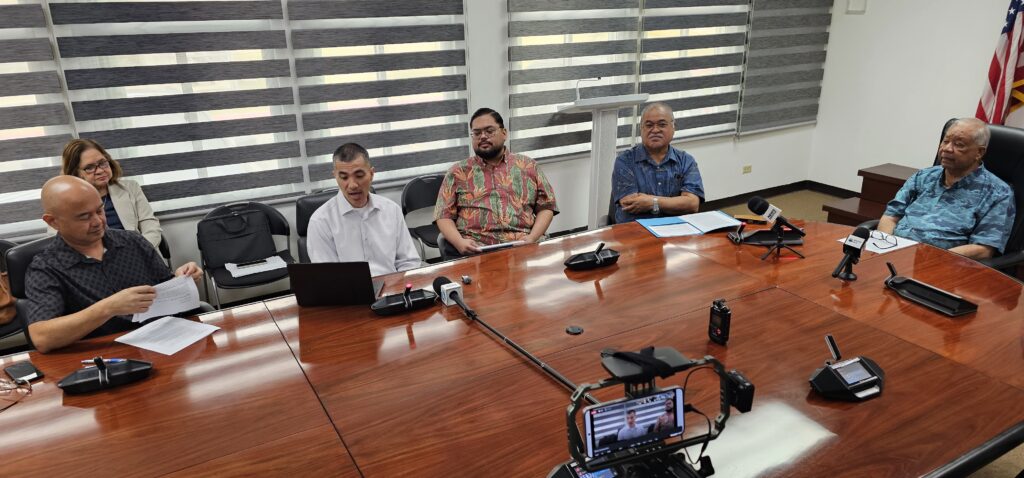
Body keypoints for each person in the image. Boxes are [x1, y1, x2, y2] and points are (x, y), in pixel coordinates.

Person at [25, 176, 203, 353]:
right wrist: (109, 308)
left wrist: (182, 281)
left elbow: (165, 291)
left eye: (99, 210)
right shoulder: (46, 268)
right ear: (53, 222)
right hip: (107, 355)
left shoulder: (133, 241)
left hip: (166, 341)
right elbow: (42, 338)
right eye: (84, 217)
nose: (98, 222)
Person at [878, 118, 1015, 260]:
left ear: (979, 152)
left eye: (959, 145)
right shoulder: (923, 176)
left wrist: (935, 260)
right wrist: (884, 248)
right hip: (895, 255)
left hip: (943, 264)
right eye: (945, 141)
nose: (947, 149)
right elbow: (890, 216)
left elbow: (984, 249)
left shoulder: (998, 193)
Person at [434, 108, 558, 256]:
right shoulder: (457, 172)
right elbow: (443, 216)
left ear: (504, 133)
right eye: (477, 133)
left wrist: (532, 238)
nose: (483, 136)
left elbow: (547, 207)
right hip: (475, 249)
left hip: (523, 246)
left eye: (489, 131)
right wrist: (459, 242)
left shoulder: (528, 166)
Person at [306, 143, 421, 275]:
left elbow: (408, 261)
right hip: (349, 287)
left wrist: (400, 284)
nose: (353, 185)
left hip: (392, 283)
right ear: (335, 176)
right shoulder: (320, 221)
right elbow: (328, 276)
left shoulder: (391, 210)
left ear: (371, 174)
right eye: (344, 177)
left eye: (359, 175)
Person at [60, 138, 162, 250]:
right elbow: (64, 242)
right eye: (89, 167)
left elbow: (150, 224)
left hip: (141, 251)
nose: (100, 171)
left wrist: (141, 250)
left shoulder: (131, 187)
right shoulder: (67, 202)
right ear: (75, 173)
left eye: (102, 163)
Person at [612, 103, 704, 224]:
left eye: (662, 124)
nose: (655, 130)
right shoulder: (625, 161)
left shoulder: (686, 161)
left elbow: (692, 204)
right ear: (641, 129)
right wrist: (676, 202)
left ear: (673, 127)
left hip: (675, 227)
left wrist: (652, 202)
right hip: (636, 229)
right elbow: (630, 203)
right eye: (649, 125)